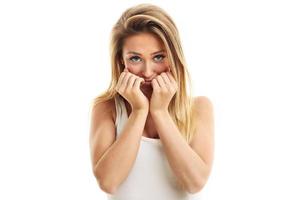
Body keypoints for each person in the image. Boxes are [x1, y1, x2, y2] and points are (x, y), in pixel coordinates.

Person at [89, 3, 214, 200]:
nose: (147, 72)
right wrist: (139, 111)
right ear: (122, 60)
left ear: (173, 56)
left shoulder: (198, 108)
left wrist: (160, 112)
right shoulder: (107, 108)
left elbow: (195, 182)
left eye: (158, 57)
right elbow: (108, 182)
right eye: (135, 59)